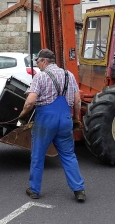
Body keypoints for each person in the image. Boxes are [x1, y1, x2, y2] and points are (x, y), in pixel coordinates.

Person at [18, 49, 86, 202]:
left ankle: (34, 190)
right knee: (69, 155)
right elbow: (77, 101)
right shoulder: (69, 75)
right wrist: (76, 118)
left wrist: (22, 115)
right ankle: (79, 190)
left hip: (45, 121)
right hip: (65, 119)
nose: (37, 65)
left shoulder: (41, 77)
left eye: (38, 62)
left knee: (38, 155)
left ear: (44, 61)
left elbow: (30, 101)